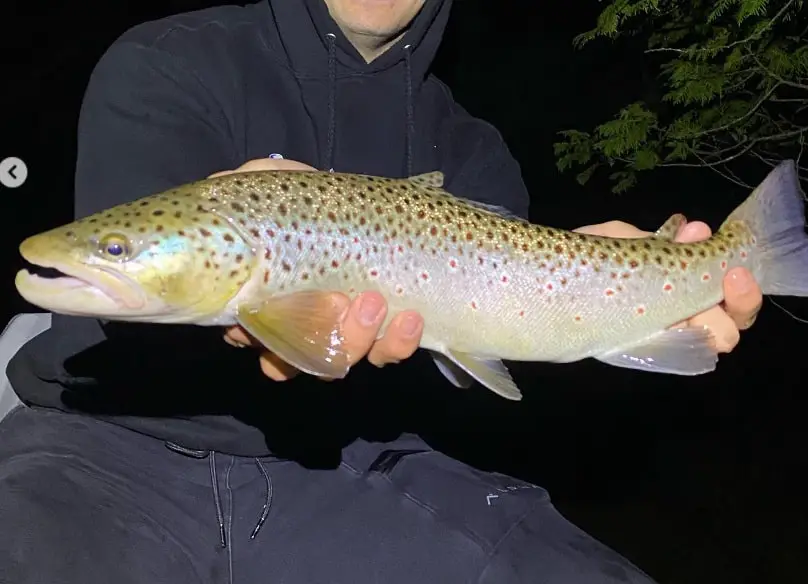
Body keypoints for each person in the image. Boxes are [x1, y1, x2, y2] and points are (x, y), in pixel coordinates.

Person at [0, 0, 763, 582]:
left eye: (115, 250)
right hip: (102, 456)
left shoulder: (471, 149)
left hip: (351, 468)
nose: (111, 255)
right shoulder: (166, 61)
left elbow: (476, 369)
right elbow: (138, 304)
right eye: (114, 250)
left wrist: (608, 281)